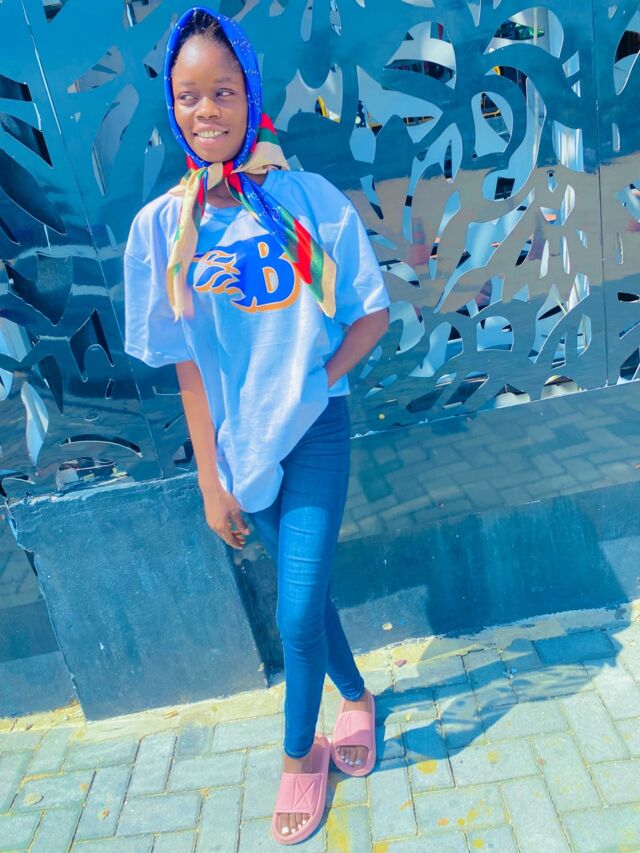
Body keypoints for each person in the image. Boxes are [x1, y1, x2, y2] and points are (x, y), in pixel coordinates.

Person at [123, 7, 389, 845]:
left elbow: (371, 314)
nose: (207, 110)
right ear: (173, 106)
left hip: (316, 432)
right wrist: (211, 477)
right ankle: (358, 697)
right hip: (243, 450)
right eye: (190, 95)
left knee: (295, 608)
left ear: (251, 96)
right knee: (309, 598)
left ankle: (299, 756)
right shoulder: (165, 229)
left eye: (224, 91)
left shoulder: (305, 200)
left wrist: (316, 381)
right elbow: (187, 363)